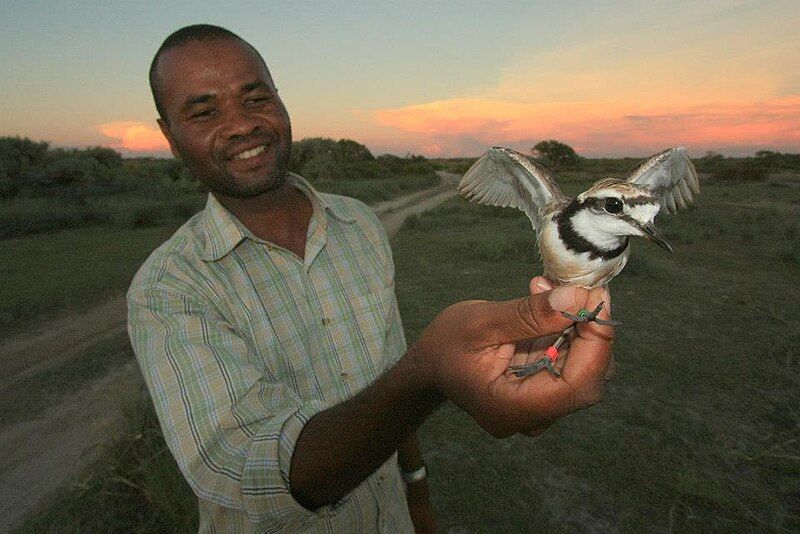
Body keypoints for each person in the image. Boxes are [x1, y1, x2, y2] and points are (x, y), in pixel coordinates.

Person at [127, 24, 615, 533]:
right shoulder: (168, 289)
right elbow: (258, 475)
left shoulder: (359, 223)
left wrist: (418, 495)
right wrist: (431, 372)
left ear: (279, 100)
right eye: (205, 112)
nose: (241, 125)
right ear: (168, 135)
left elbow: (385, 379)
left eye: (256, 97)